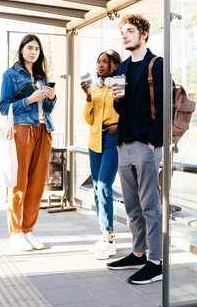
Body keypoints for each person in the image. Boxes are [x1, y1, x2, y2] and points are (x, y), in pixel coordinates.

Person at [108, 14, 164, 284]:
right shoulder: (123, 69)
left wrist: (153, 142)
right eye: (122, 33)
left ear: (144, 35)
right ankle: (139, 252)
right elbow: (122, 109)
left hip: (145, 145)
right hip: (124, 144)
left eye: (130, 31)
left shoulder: (158, 65)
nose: (125, 36)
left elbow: (166, 107)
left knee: (150, 206)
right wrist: (117, 99)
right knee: (131, 205)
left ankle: (155, 261)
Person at [0, 34, 56, 252]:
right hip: (22, 130)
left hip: (44, 130)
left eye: (37, 49)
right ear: (22, 49)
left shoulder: (42, 76)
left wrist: (50, 97)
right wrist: (30, 100)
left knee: (37, 184)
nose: (33, 52)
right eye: (30, 48)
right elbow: (4, 107)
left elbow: (48, 109)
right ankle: (15, 232)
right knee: (18, 183)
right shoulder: (11, 75)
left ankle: (28, 231)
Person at [81, 49, 121, 260]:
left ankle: (110, 239)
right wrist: (88, 98)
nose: (101, 65)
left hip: (113, 140)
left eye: (106, 62)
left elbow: (129, 111)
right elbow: (89, 119)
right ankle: (104, 235)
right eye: (99, 62)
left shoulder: (120, 86)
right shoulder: (95, 88)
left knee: (105, 185)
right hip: (94, 140)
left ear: (115, 65)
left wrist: (118, 126)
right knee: (96, 188)